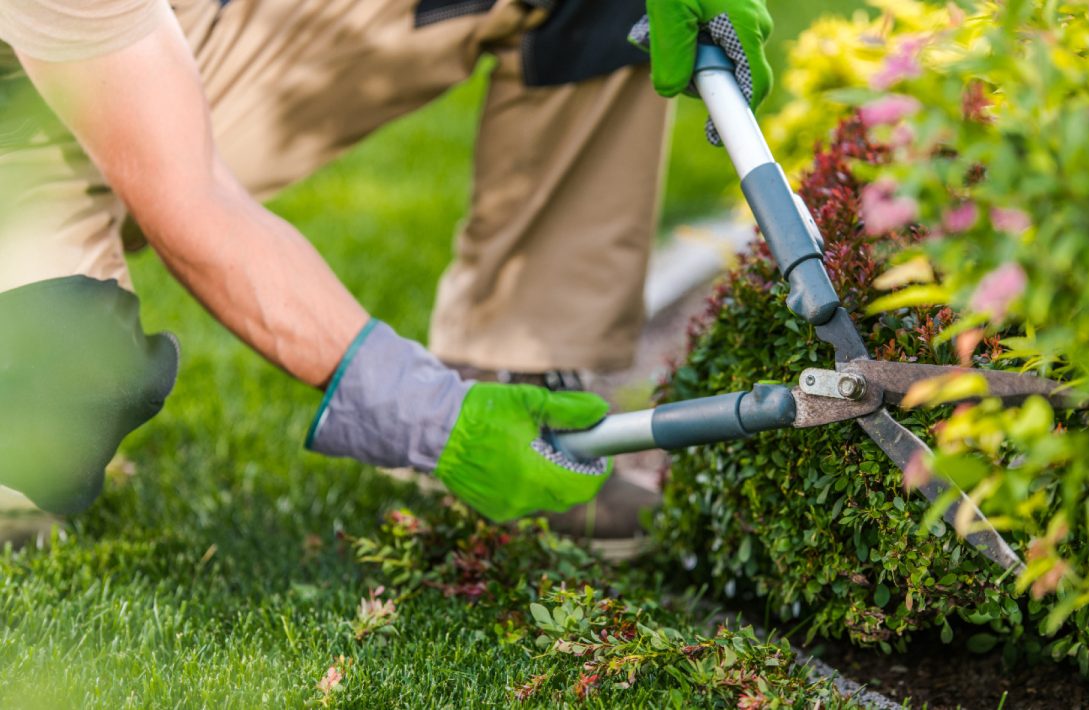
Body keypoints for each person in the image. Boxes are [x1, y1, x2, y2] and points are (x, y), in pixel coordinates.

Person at [0, 0, 773, 544]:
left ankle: (520, 373)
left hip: (164, 37)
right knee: (58, 403)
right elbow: (190, 202)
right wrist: (431, 416)